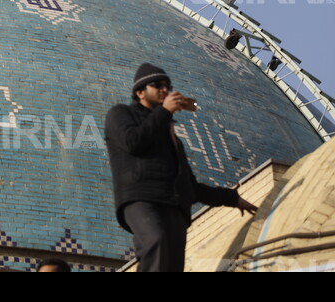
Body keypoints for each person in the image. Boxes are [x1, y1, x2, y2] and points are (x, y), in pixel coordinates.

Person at [104, 63, 258, 272]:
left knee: (172, 265)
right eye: (157, 85)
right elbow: (133, 142)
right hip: (141, 198)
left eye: (167, 85)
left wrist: (233, 199)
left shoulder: (172, 140)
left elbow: (190, 187)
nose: (164, 90)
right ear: (140, 92)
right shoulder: (120, 114)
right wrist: (165, 112)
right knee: (155, 240)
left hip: (174, 205)